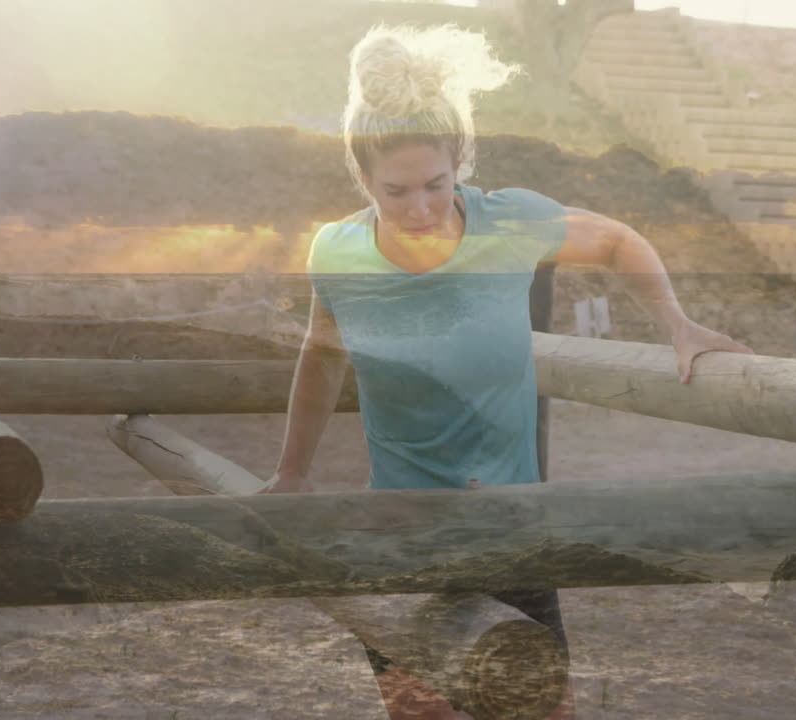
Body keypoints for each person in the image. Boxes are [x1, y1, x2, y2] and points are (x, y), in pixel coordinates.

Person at [260, 23, 753, 720]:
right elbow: (319, 354)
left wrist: (677, 324)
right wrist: (293, 472)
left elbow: (617, 239)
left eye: (436, 183)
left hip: (515, 532)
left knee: (546, 714)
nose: (421, 207)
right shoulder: (338, 253)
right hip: (403, 535)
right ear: (361, 177)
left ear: (459, 159)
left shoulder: (507, 223)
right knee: (424, 715)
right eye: (395, 191)